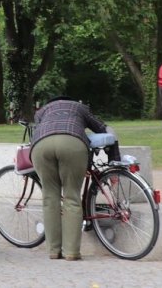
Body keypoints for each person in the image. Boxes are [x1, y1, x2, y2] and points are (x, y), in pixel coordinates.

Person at [31, 96, 111, 261]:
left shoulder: (42, 111)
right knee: (72, 196)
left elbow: (35, 128)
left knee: (49, 197)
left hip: (41, 145)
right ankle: (72, 252)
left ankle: (53, 251)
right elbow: (101, 128)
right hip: (72, 144)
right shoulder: (79, 107)